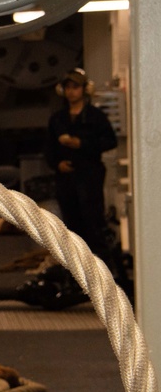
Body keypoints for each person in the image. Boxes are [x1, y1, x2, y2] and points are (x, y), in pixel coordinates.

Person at [45, 68, 119, 272]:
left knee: (93, 221)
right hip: (66, 177)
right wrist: (56, 164)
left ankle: (103, 269)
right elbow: (49, 147)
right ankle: (76, 270)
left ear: (84, 90)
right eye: (68, 87)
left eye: (75, 87)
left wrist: (82, 144)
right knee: (71, 223)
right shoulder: (58, 119)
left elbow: (109, 141)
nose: (71, 92)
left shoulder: (96, 117)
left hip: (89, 174)